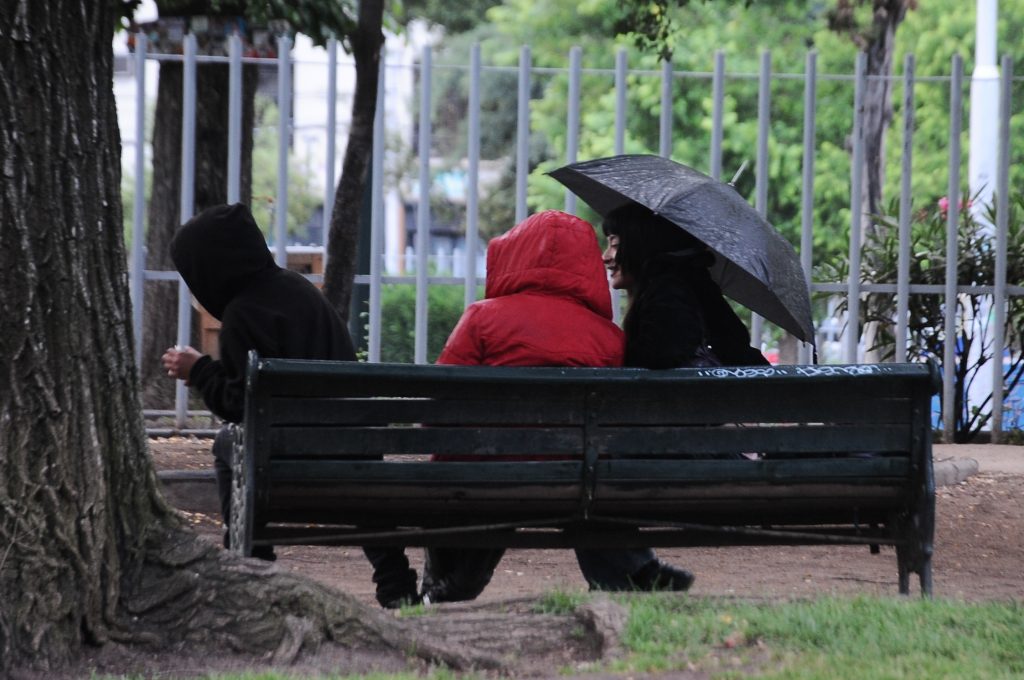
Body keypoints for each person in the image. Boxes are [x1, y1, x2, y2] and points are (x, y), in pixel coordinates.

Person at [420, 209, 694, 603]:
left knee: (483, 485)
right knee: (586, 487)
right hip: (576, 480)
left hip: (483, 480)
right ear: (584, 267)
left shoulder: (481, 319)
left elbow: (439, 406)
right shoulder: (608, 339)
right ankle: (634, 571)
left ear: (513, 255)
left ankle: (452, 585)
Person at [160, 203, 419, 608]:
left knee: (226, 446)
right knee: (363, 479)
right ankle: (395, 579)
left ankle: (251, 558)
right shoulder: (299, 289)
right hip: (354, 449)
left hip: (287, 458)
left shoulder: (241, 316)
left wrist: (199, 370)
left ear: (210, 270)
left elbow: (235, 404)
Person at [601, 201, 770, 370]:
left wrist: (610, 346)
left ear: (642, 247)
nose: (605, 256)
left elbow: (658, 358)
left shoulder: (668, 295)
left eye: (615, 245)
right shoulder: (690, 287)